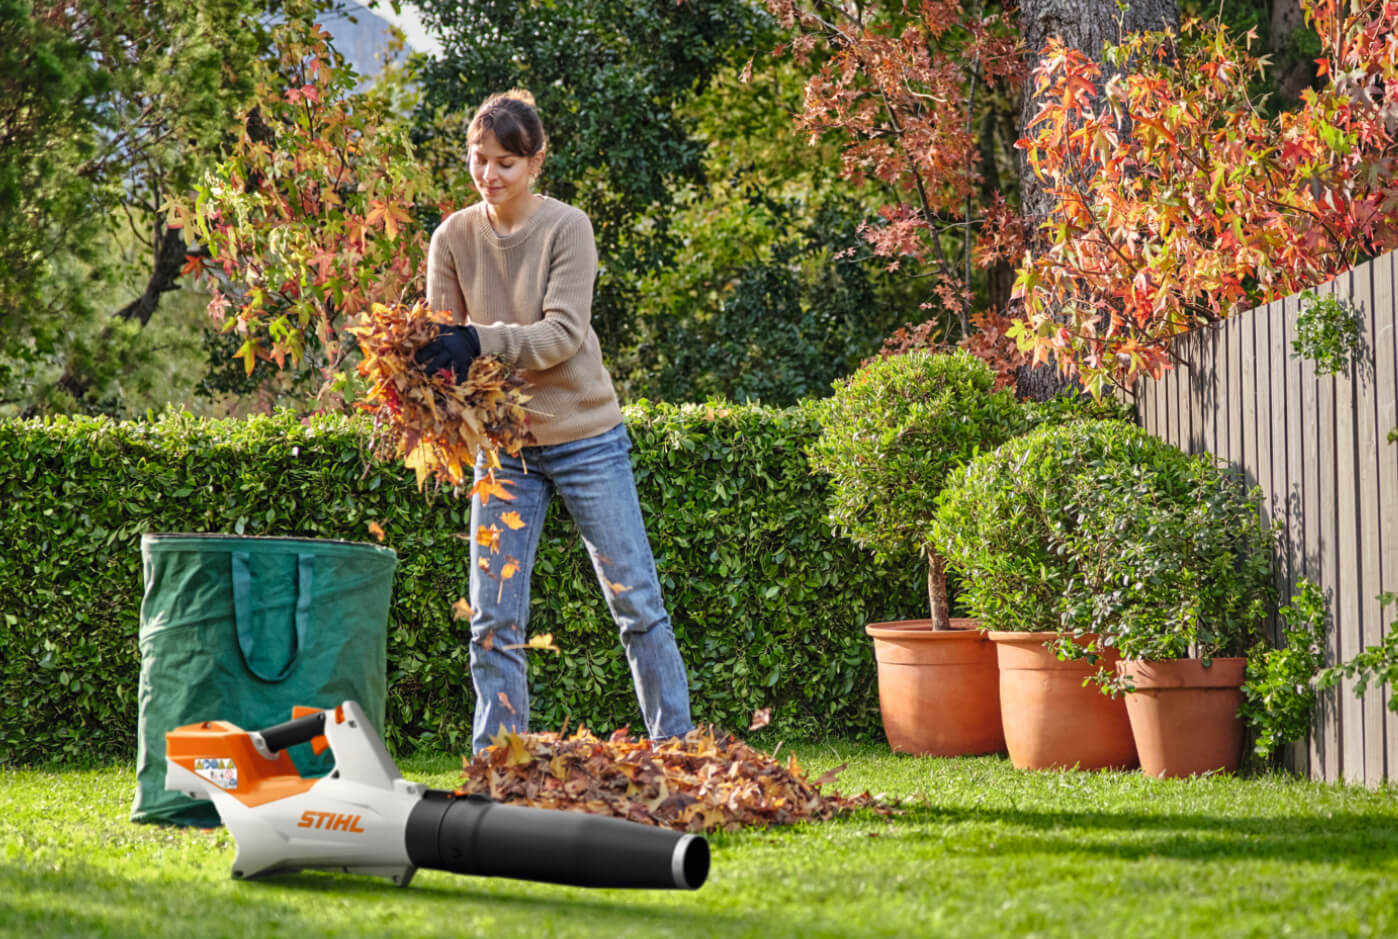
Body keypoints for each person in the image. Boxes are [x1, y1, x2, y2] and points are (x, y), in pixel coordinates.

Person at [416, 89, 694, 755]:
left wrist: (477, 340)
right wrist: (429, 366)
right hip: (503, 448)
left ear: (536, 162)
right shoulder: (453, 236)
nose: (490, 175)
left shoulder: (568, 228)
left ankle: (678, 749)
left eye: (506, 162)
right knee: (492, 617)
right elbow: (441, 337)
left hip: (585, 437)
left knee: (636, 602)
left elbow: (560, 337)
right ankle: (496, 759)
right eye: (479, 159)